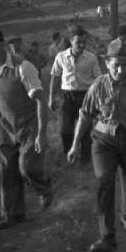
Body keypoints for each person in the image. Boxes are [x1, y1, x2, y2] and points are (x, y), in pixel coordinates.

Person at [67, 43, 126, 252]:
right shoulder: (97, 86)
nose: (120, 70)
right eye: (116, 65)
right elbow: (85, 116)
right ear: (107, 64)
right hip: (103, 141)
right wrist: (75, 144)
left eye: (125, 65)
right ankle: (107, 236)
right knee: (105, 182)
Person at [0, 27, 53, 230]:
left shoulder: (23, 67)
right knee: (8, 169)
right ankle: (13, 214)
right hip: (4, 124)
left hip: (29, 122)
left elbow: (40, 101)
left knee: (27, 167)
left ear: (2, 45)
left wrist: (42, 133)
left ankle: (43, 187)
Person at [49, 25, 102, 160]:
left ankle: (85, 158)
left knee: (85, 129)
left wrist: (98, 99)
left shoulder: (91, 58)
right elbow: (55, 77)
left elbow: (98, 79)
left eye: (84, 42)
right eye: (79, 42)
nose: (82, 45)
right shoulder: (61, 57)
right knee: (65, 130)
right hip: (67, 96)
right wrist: (51, 98)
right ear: (71, 41)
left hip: (85, 96)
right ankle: (70, 154)